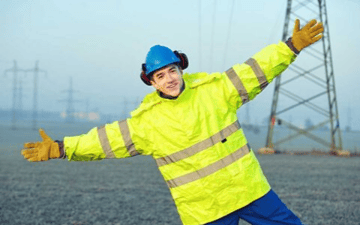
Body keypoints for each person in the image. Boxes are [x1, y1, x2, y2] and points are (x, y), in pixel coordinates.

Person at [21, 19, 324, 225]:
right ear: (151, 82)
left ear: (181, 68)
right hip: (205, 210)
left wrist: (290, 46)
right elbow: (104, 140)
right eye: (160, 75)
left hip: (248, 191)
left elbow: (255, 69)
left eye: (171, 71)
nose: (168, 79)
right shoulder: (146, 122)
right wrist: (61, 148)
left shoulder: (216, 91)